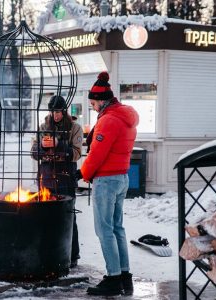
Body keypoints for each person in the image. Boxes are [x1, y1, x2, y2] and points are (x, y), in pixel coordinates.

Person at [76, 71, 139, 296]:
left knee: (104, 230)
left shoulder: (109, 120)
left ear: (101, 101)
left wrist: (81, 173)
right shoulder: (124, 117)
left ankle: (113, 278)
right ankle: (124, 276)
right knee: (117, 228)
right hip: (122, 177)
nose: (92, 107)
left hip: (107, 180)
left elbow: (97, 154)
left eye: (93, 103)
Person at [31, 95, 83, 268]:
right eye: (53, 111)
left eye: (58, 111)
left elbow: (76, 153)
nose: (55, 115)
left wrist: (58, 144)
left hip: (66, 179)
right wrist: (42, 147)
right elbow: (33, 152)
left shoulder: (75, 128)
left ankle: (72, 255)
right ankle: (45, 254)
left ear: (64, 111)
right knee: (43, 217)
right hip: (45, 179)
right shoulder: (43, 127)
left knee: (68, 218)